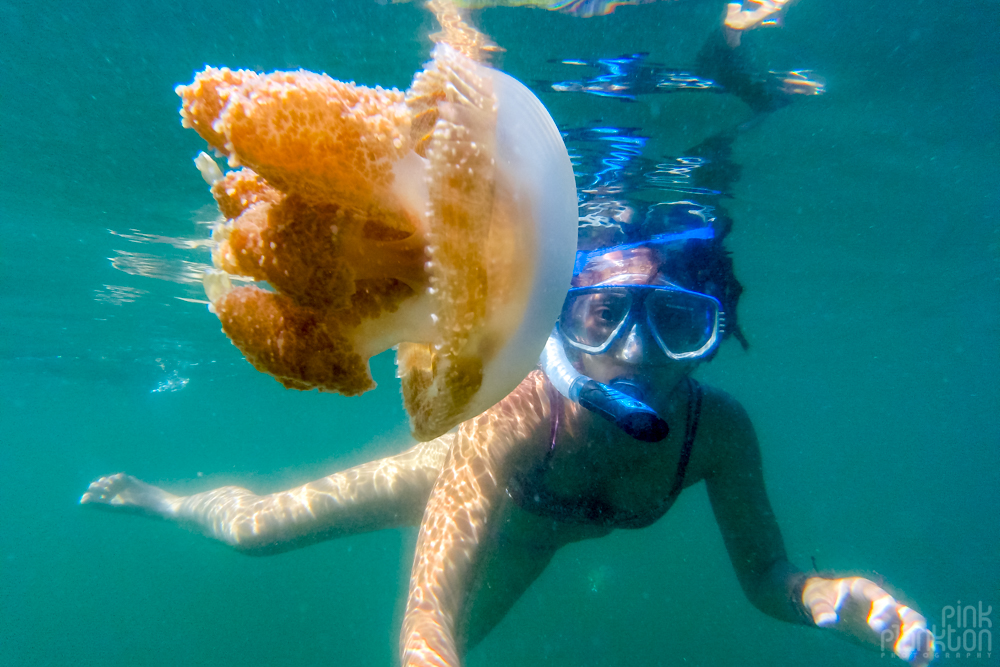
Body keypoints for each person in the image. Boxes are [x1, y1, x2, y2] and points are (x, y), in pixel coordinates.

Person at [81, 229, 935, 667]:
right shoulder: (518, 416)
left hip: (535, 538)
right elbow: (425, 616)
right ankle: (160, 498)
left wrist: (821, 592)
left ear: (713, 335)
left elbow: (764, 579)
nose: (637, 353)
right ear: (565, 314)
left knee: (467, 643)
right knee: (256, 531)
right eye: (606, 315)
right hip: (457, 479)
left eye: (676, 320)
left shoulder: (719, 434)